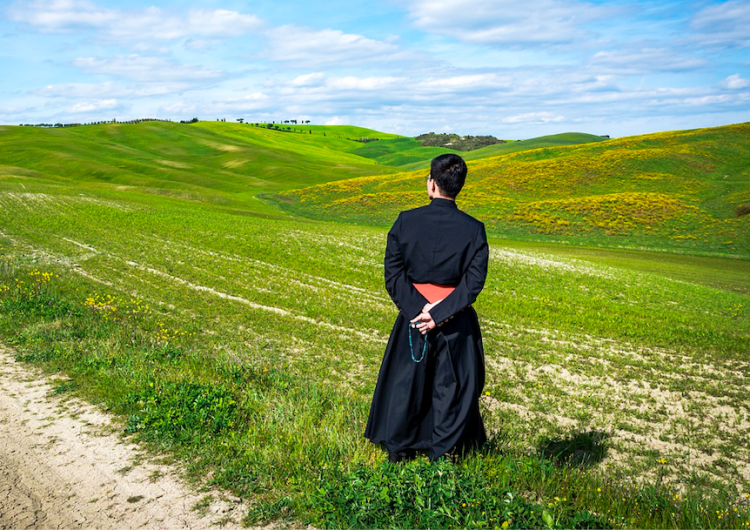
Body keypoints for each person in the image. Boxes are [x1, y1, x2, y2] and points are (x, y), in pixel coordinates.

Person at [364, 153, 489, 463]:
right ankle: (444, 454)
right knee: (452, 387)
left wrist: (420, 311)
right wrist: (440, 313)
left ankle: (400, 450)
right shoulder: (474, 229)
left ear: (432, 184)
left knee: (407, 384)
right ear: (459, 186)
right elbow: (472, 285)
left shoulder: (406, 221)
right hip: (455, 321)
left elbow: (393, 275)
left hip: (413, 319)